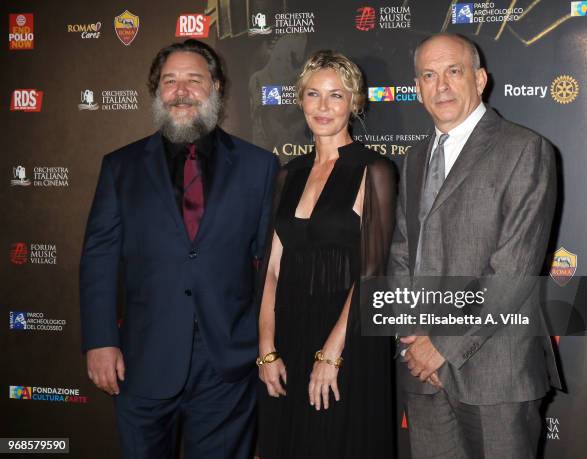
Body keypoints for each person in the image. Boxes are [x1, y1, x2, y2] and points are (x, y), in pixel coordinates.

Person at [79, 39, 278, 459]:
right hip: (141, 360)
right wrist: (99, 340)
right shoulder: (121, 166)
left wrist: (265, 346)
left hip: (227, 364)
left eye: (193, 80)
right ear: (157, 91)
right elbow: (98, 258)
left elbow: (270, 268)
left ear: (217, 88)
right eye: (170, 81)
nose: (181, 91)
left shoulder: (259, 166)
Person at [389, 33, 560, 458]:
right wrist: (412, 338)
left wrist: (440, 346)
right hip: (421, 373)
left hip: (495, 372)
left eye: (453, 71)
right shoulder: (413, 158)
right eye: (429, 75)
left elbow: (514, 269)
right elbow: (401, 253)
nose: (441, 85)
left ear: (479, 79)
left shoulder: (524, 149)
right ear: (417, 88)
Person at [257, 50, 397, 459]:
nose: (323, 107)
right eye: (313, 94)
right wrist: (266, 347)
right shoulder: (289, 173)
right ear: (300, 100)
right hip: (287, 337)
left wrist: (332, 353)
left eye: (336, 96)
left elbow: (373, 271)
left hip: (347, 337)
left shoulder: (375, 170)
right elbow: (271, 267)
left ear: (354, 103)